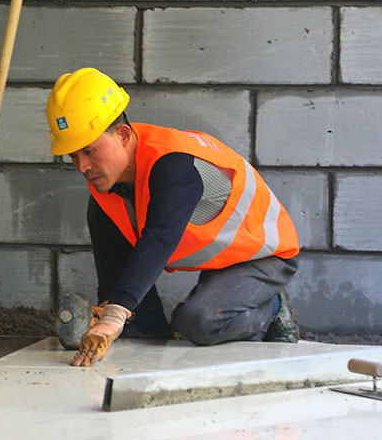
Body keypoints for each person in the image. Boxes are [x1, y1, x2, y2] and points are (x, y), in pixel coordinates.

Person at [46, 68, 301, 367]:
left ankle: (272, 307)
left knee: (199, 322)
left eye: (89, 151)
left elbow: (159, 238)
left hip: (262, 254)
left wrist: (115, 316)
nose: (82, 166)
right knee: (140, 330)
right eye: (73, 156)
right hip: (220, 256)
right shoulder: (107, 189)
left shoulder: (175, 165)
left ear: (123, 135)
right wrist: (108, 317)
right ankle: (149, 325)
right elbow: (114, 268)